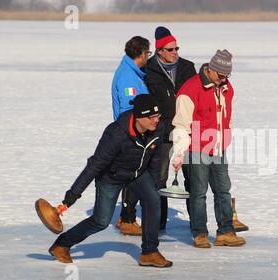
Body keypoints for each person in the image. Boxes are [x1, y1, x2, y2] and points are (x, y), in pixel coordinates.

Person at [48, 94, 172, 267]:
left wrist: (156, 184)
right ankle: (62, 244)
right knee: (101, 221)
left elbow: (156, 159)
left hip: (137, 173)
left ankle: (149, 252)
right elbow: (95, 164)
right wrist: (73, 195)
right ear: (139, 116)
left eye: (157, 116)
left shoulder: (158, 128)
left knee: (153, 200)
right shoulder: (116, 133)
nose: (156, 120)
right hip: (110, 177)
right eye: (151, 117)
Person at [171, 49, 246, 248]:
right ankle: (200, 233)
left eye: (227, 76)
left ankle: (226, 231)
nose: (224, 79)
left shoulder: (226, 87)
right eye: (221, 75)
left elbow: (225, 116)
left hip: (218, 147)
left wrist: (226, 137)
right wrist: (179, 153)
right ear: (211, 70)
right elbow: (181, 125)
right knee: (199, 193)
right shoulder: (190, 90)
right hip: (197, 148)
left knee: (223, 191)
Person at [144, 26, 196, 230]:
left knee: (192, 178)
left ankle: (197, 224)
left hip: (186, 131)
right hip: (162, 133)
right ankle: (159, 222)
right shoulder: (149, 70)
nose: (175, 52)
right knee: (160, 178)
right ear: (159, 51)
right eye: (170, 49)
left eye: (176, 48)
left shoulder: (188, 68)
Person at [111, 36, 152, 236]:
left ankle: (127, 216)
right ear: (141, 54)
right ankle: (127, 218)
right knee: (132, 176)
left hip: (135, 134)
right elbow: (130, 109)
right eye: (148, 53)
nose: (148, 57)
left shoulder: (134, 73)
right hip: (130, 136)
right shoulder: (128, 77)